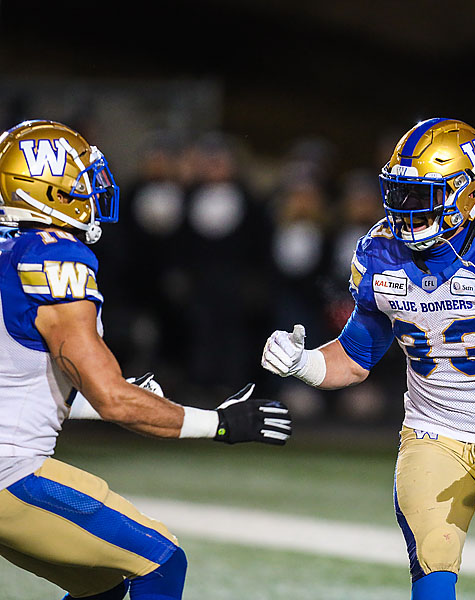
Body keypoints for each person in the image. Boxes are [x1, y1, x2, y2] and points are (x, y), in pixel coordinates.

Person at [262, 118, 475, 599]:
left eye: (424, 194)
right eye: (401, 192)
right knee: (433, 575)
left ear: (471, 193)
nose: (406, 210)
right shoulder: (379, 252)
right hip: (433, 436)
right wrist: (302, 363)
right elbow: (354, 356)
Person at [0, 120, 292, 600]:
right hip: (14, 475)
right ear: (47, 189)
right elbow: (112, 398)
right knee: (161, 560)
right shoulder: (55, 259)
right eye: (79, 179)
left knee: (104, 586)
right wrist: (219, 423)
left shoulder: (10, 253)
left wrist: (116, 395)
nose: (91, 189)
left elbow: (23, 383)